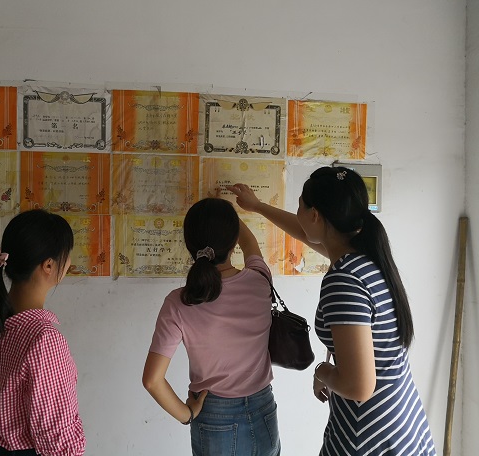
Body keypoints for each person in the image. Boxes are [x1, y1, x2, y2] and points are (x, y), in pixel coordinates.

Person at [228, 166, 436, 456]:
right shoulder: (365, 257)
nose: (298, 214)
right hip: (401, 421)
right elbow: (305, 232)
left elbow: (359, 386)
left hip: (370, 435)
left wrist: (323, 371)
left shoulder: (344, 281)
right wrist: (258, 207)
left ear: (315, 215)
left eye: (300, 206)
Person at [142, 197, 281, 456]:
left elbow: (152, 380)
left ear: (189, 244)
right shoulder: (260, 279)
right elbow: (250, 243)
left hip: (214, 417)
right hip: (264, 408)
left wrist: (186, 414)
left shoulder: (179, 302)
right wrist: (228, 213)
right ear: (232, 241)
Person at [0, 209, 86, 456]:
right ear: (49, 265)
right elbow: (55, 435)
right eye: (67, 255)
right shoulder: (44, 340)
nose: (69, 262)